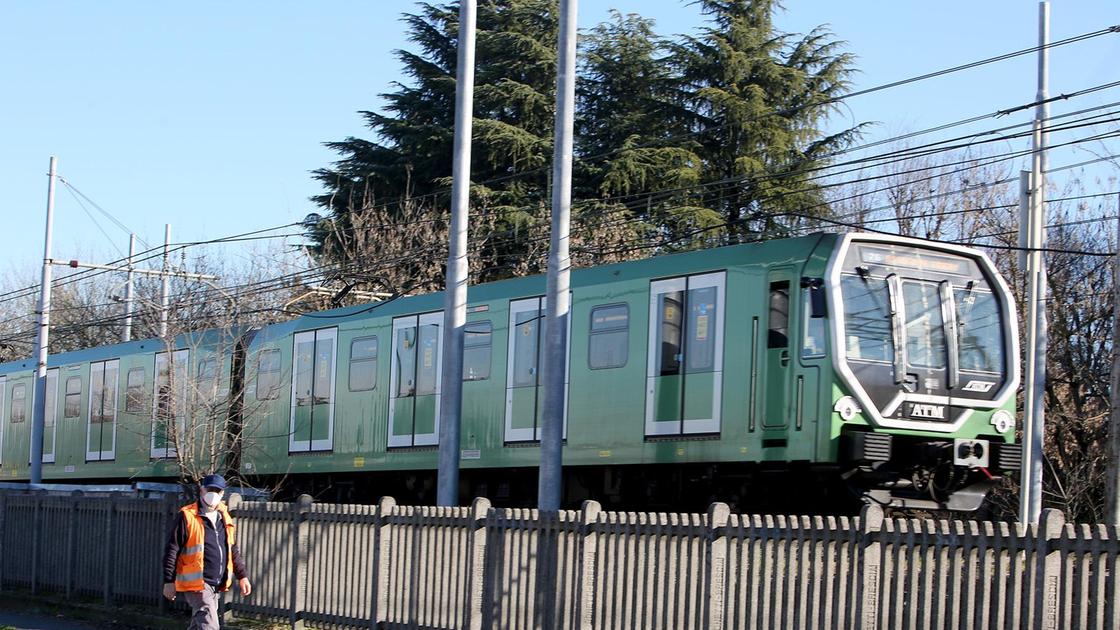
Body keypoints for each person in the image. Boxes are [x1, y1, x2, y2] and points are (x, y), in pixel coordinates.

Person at [162, 474, 252, 629]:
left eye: (217, 491)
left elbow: (232, 549)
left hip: (216, 583)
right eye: (210, 489)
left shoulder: (224, 516)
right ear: (201, 490)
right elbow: (172, 549)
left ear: (223, 493)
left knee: (200, 624)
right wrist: (168, 582)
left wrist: (242, 576)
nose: (213, 494)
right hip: (197, 583)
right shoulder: (187, 516)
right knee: (209, 623)